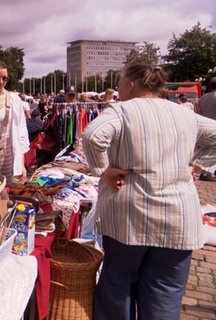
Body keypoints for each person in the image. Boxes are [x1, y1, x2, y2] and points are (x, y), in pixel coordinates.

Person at [81, 63, 216, 320]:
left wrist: (104, 170)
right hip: (178, 219)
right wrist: (197, 162)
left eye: (120, 83)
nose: (118, 88)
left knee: (118, 287)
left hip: (130, 217)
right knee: (164, 292)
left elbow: (92, 136)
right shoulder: (184, 114)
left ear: (131, 85)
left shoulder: (122, 110)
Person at [197, 77, 216, 181]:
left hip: (204, 126)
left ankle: (204, 172)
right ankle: (207, 173)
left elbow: (198, 112)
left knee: (205, 151)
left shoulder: (203, 97)